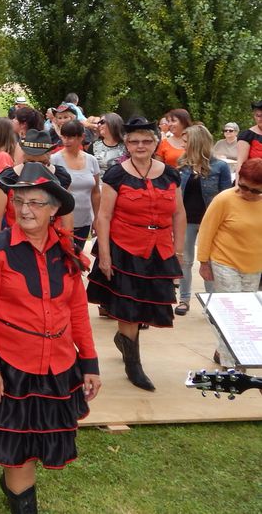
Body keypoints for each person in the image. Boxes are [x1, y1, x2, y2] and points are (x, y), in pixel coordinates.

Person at [0, 164, 100, 514]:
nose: (25, 210)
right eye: (19, 200)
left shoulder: (67, 251)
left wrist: (90, 363)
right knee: (19, 449)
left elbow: (78, 310)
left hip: (59, 365)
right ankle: (24, 504)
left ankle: (13, 483)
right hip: (13, 366)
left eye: (36, 202)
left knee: (38, 443)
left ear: (54, 208)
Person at [87, 117, 186, 391]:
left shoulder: (170, 174)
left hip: (159, 249)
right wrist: (104, 255)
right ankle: (134, 365)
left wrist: (178, 250)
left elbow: (178, 212)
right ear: (126, 144)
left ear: (156, 142)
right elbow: (104, 216)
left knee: (148, 306)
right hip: (125, 248)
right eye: (133, 141)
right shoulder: (116, 175)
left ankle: (124, 342)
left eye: (146, 140)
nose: (140, 146)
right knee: (128, 308)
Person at [197, 158, 262, 366]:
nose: (247, 193)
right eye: (243, 186)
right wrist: (204, 262)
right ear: (238, 179)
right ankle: (230, 361)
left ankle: (225, 351)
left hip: (254, 265)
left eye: (255, 191)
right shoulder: (224, 199)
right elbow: (207, 230)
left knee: (248, 315)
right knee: (233, 313)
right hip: (225, 262)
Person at [175, 124, 231, 316]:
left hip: (211, 220)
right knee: (186, 261)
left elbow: (225, 196)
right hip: (186, 219)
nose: (182, 145)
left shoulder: (220, 166)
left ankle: (212, 302)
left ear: (196, 142)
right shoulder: (182, 164)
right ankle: (184, 299)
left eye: (185, 141)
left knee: (209, 261)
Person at [0, 130, 73, 236]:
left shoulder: (61, 177)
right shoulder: (7, 178)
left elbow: (67, 216)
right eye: (30, 162)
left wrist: (69, 245)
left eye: (42, 163)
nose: (36, 167)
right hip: (16, 240)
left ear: (49, 155)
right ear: (24, 155)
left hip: (52, 240)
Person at [50, 120, 102, 253]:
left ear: (81, 137)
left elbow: (95, 192)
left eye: (71, 137)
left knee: (78, 259)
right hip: (61, 222)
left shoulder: (91, 160)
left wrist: (97, 217)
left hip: (84, 221)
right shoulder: (54, 160)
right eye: (64, 136)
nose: (66, 141)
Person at [235, 99, 262, 170]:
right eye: (258, 116)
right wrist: (238, 181)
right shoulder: (246, 136)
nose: (260, 119)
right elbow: (240, 165)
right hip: (253, 179)